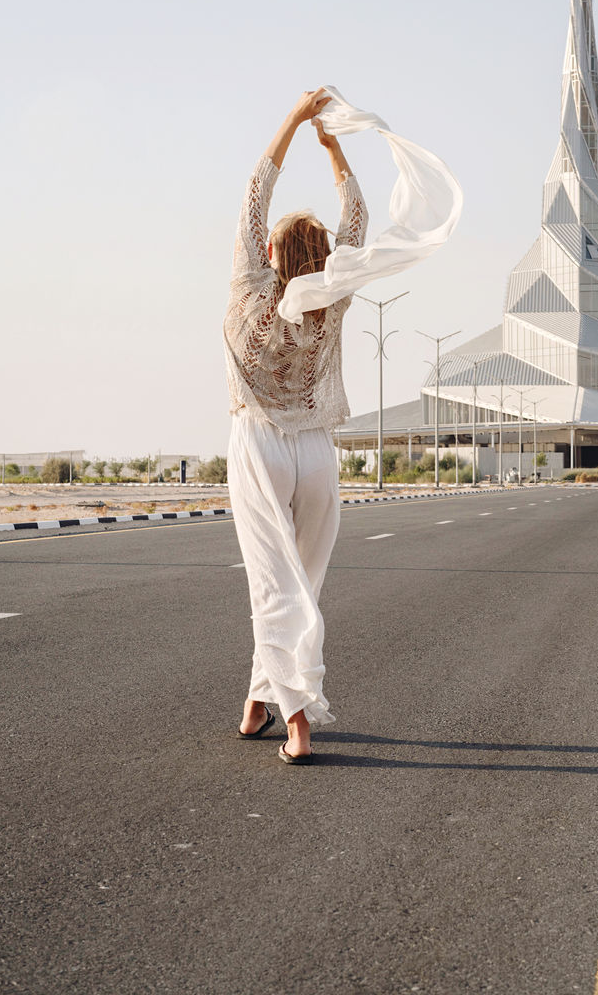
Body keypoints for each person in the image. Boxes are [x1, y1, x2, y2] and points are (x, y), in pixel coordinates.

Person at [223, 88, 367, 764]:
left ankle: (299, 720)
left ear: (276, 249)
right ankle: (258, 704)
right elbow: (359, 221)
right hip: (317, 449)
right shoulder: (333, 296)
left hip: (260, 442)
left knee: (273, 584)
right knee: (299, 581)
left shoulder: (253, 287)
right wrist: (333, 146)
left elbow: (255, 194)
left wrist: (291, 122)